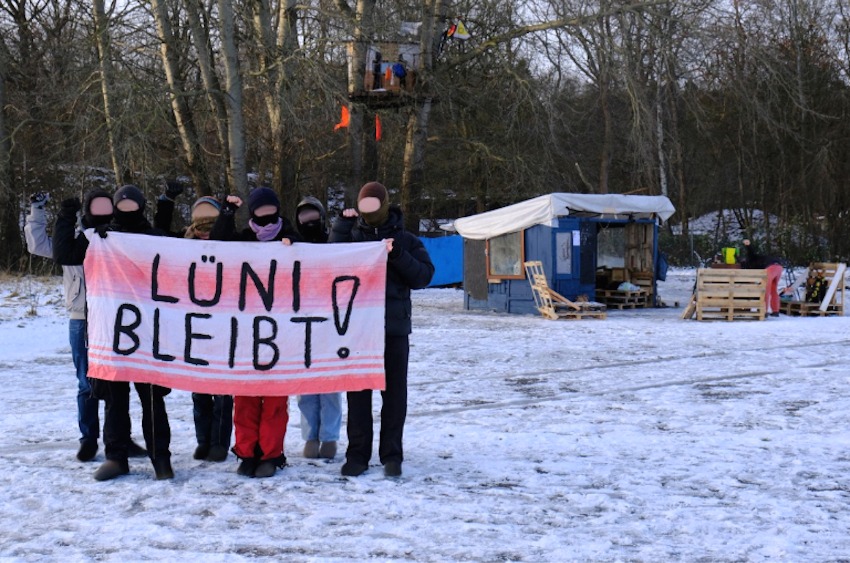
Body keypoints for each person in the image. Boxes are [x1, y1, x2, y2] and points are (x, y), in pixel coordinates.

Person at [54, 185, 174, 481]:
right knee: (114, 399)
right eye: (124, 205)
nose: (128, 210)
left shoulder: (156, 237)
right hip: (110, 331)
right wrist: (67, 216)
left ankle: (161, 457)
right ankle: (116, 456)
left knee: (152, 399)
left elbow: (183, 263)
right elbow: (64, 254)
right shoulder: (100, 237)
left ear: (142, 206)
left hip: (148, 332)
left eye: (134, 205)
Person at [25, 190, 147, 462]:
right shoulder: (71, 242)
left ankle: (121, 439)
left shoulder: (119, 239)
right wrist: (38, 210)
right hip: (82, 319)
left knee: (118, 383)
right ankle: (88, 439)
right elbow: (38, 245)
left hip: (117, 319)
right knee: (86, 383)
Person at [329, 181, 434, 477]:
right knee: (358, 395)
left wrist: (397, 254)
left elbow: (424, 276)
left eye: (375, 205)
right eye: (366, 206)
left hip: (394, 330)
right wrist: (340, 227)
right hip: (358, 331)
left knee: (394, 396)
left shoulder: (406, 239)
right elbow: (330, 264)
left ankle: (392, 455)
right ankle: (357, 455)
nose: (370, 211)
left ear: (385, 205)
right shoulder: (350, 236)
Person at [209, 187, 300, 478]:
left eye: (269, 208)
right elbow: (217, 244)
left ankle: (271, 455)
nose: (265, 214)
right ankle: (247, 453)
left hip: (281, 329)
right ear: (253, 212)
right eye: (259, 209)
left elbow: (314, 253)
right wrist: (227, 212)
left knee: (274, 399)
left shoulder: (290, 235)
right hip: (245, 330)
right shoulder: (242, 240)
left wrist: (296, 244)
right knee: (245, 397)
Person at [154, 186, 234, 462]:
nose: (204, 231)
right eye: (200, 226)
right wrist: (166, 202)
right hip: (194, 328)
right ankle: (203, 440)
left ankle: (220, 443)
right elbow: (158, 235)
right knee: (199, 388)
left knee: (223, 391)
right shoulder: (182, 244)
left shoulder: (233, 246)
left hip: (225, 326)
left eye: (211, 226)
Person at [293, 196, 342, 460]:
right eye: (304, 217)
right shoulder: (291, 245)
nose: (308, 221)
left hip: (331, 321)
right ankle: (310, 435)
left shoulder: (332, 242)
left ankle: (330, 437)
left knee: (331, 384)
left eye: (313, 216)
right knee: (306, 387)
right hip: (299, 323)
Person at [742, 238, 784, 317]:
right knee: (773, 289)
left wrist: (748, 245)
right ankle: (775, 311)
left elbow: (751, 253)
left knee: (765, 290)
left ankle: (763, 311)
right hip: (779, 266)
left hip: (770, 268)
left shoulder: (752, 260)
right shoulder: (759, 259)